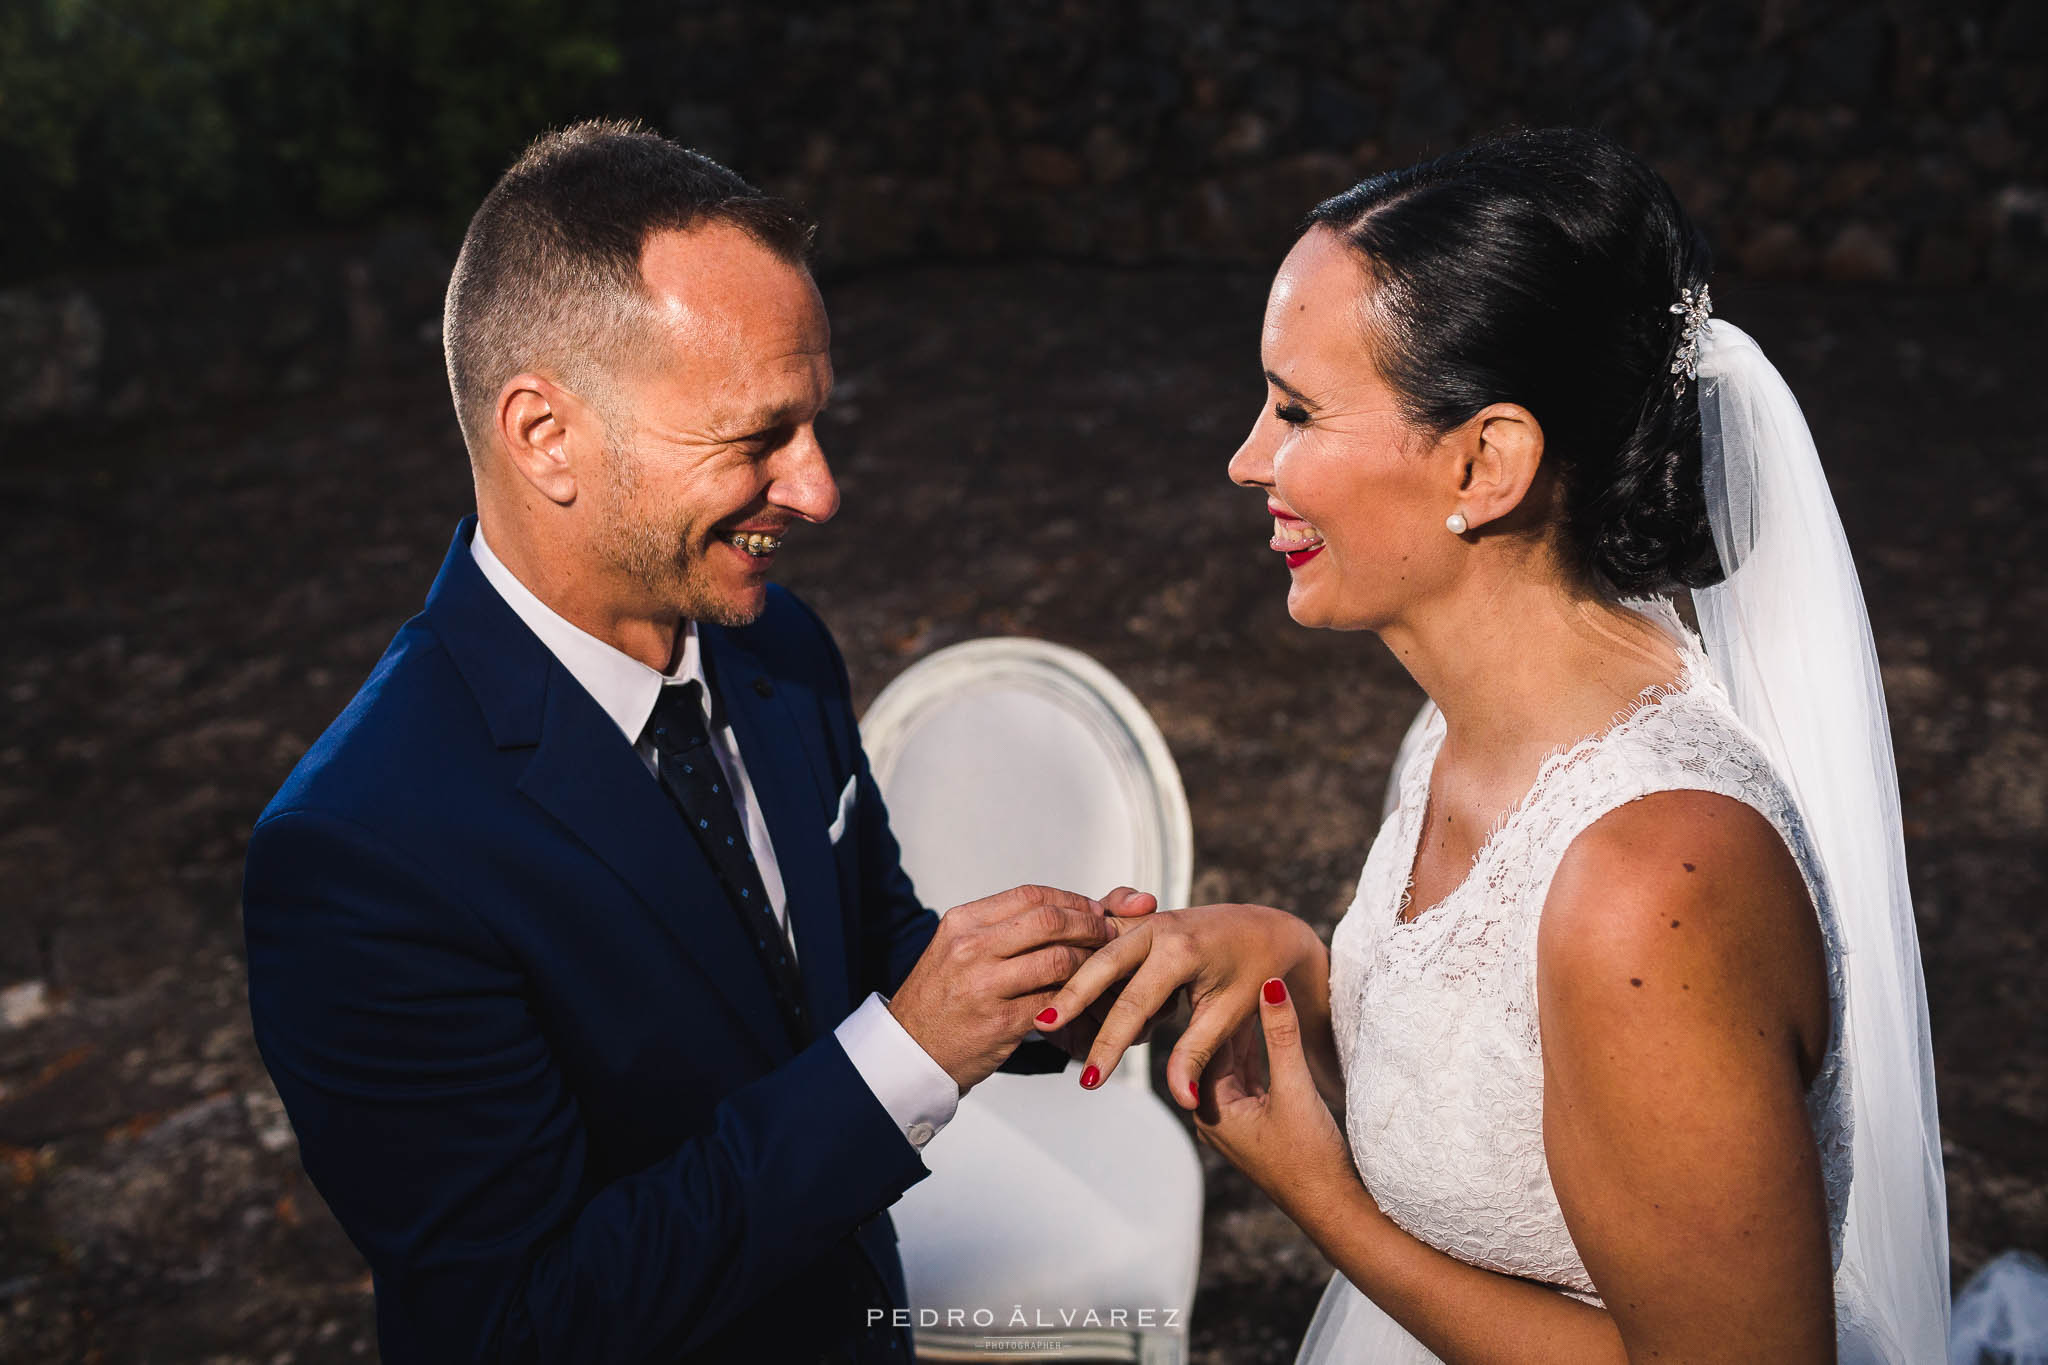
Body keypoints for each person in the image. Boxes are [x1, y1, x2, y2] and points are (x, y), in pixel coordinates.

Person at [240, 120, 1153, 1365]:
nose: (820, 489)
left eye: (815, 425)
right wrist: (907, 1055)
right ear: (545, 435)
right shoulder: (360, 851)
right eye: (756, 438)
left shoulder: (778, 652)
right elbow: (522, 1322)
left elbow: (856, 950)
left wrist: (1071, 977)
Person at [1044, 128, 1948, 1362]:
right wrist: (1287, 964)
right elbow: (1497, 1086)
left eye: (1295, 409)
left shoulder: (1650, 884)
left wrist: (1323, 1201)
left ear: (1485, 460)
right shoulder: (1461, 732)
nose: (1246, 458)